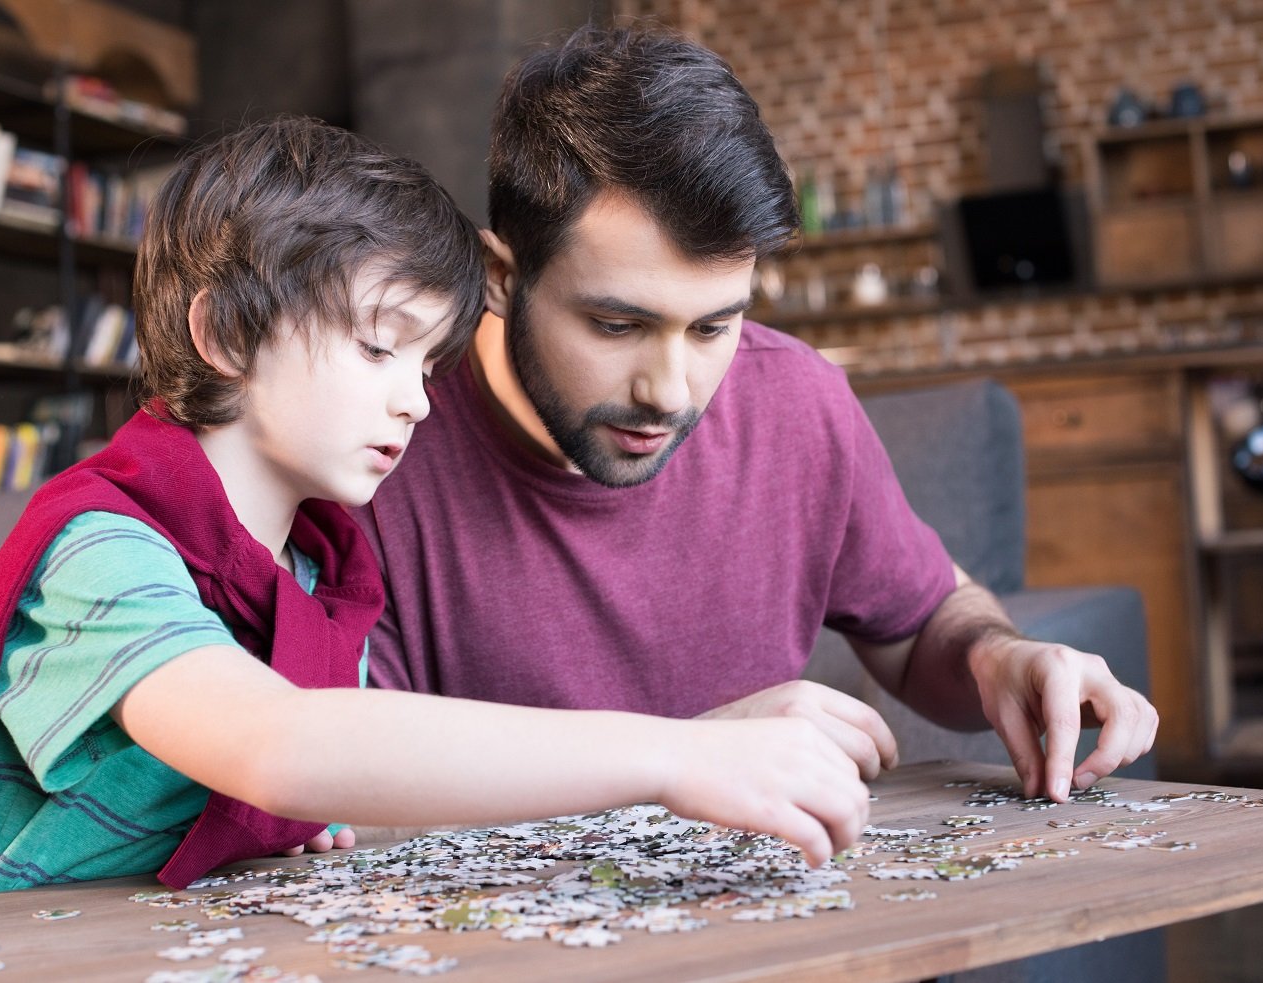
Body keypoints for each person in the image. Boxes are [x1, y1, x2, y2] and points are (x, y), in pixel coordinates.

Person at [0, 116, 874, 899]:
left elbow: (375, 793)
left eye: (427, 363)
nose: (416, 399)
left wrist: (704, 743)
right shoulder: (100, 553)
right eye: (379, 349)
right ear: (227, 334)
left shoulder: (319, 572)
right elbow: (280, 746)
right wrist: (672, 756)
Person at [353, 23, 1159, 827]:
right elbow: (344, 796)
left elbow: (919, 628)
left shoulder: (796, 401)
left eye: (712, 327)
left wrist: (997, 655)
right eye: (616, 325)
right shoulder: (374, 444)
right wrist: (685, 755)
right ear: (501, 276)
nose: (669, 391)